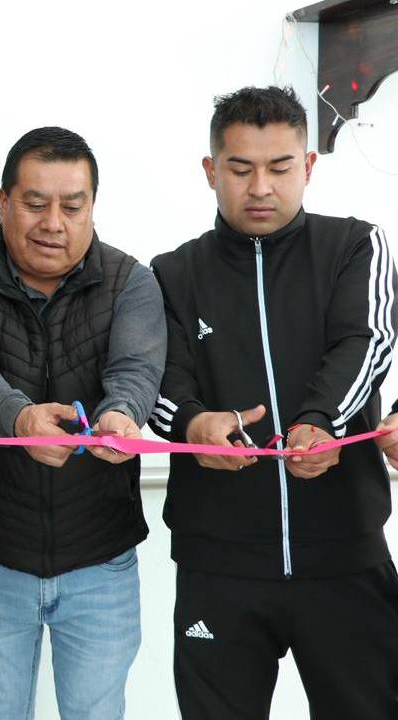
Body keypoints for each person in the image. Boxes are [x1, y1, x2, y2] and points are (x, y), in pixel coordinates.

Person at [150, 86, 398, 719]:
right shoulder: (173, 274)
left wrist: (319, 423)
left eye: (279, 167)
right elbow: (156, 382)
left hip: (344, 556)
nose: (260, 186)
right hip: (217, 564)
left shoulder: (355, 247)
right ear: (211, 172)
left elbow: (366, 341)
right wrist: (192, 424)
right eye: (240, 168)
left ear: (308, 166)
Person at [0, 126, 166, 718]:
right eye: (35, 203)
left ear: (92, 207)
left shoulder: (131, 281)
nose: (52, 223)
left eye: (72, 205)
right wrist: (19, 419)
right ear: (4, 200)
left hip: (102, 561)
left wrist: (122, 416)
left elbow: (135, 369)